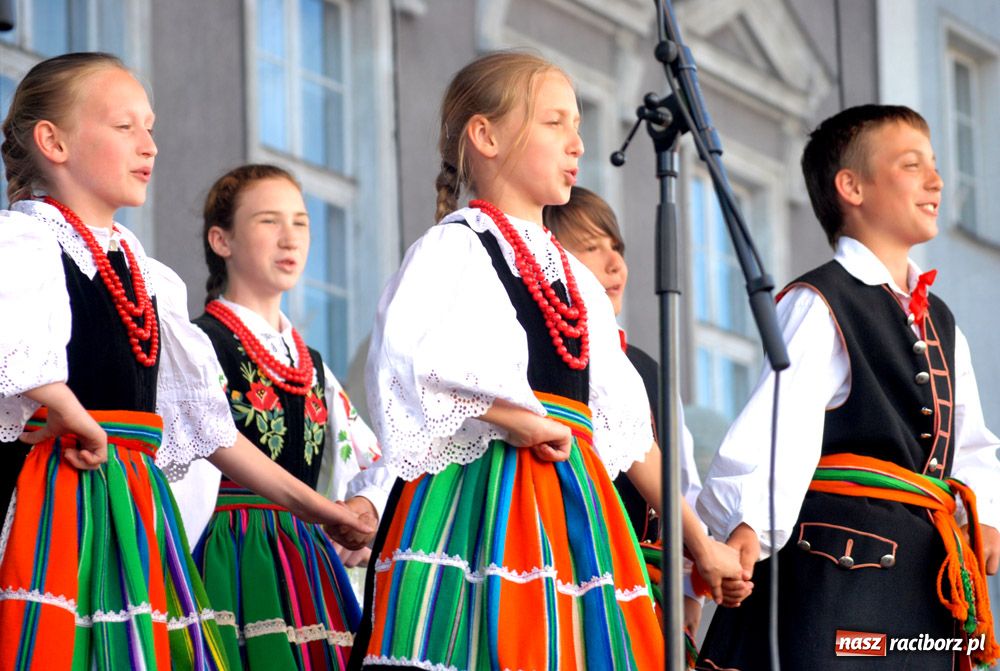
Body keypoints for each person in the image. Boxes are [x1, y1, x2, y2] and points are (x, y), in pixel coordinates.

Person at [349, 50, 743, 671]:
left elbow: (629, 435)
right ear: (486, 136)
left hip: (577, 503)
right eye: (555, 122)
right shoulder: (457, 247)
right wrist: (520, 418)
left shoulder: (575, 279)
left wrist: (702, 545)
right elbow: (413, 362)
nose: (577, 143)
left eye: (578, 125)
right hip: (486, 499)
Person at [0, 52, 373, 670]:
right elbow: (16, 350)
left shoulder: (148, 279)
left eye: (150, 128)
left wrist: (320, 508)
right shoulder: (25, 244)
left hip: (135, 504)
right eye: (125, 128)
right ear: (53, 141)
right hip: (57, 496)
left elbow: (212, 432)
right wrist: (71, 412)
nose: (148, 145)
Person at [695, 104, 1000, 669]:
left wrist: (984, 514)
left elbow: (972, 439)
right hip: (836, 568)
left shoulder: (941, 320)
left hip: (920, 576)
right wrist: (747, 530)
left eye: (933, 165)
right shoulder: (821, 301)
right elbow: (779, 428)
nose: (936, 181)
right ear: (851, 186)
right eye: (912, 165)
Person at [184, 163, 392, 669]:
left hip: (306, 558)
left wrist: (364, 507)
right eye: (268, 221)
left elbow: (374, 459)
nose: (289, 238)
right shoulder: (198, 345)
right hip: (225, 553)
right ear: (222, 240)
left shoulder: (312, 365)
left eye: (301, 222)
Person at [544, 185, 710, 642]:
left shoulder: (647, 370)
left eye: (616, 247)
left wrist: (690, 588)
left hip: (647, 589)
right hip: (571, 575)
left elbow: (682, 479)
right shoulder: (546, 360)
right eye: (591, 248)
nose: (615, 263)